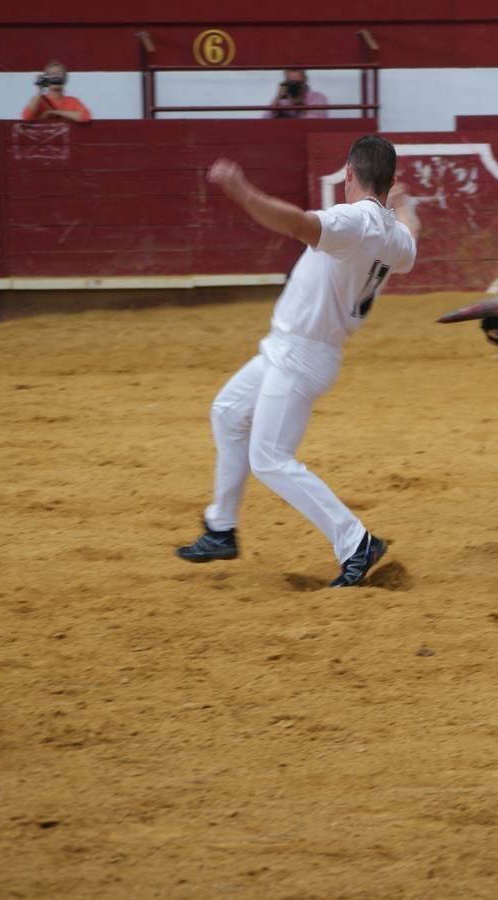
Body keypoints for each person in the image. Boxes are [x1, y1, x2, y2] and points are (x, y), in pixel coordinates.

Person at [177, 135, 420, 588]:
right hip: (291, 347)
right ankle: (220, 528)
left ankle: (355, 542)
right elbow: (410, 237)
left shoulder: (356, 221)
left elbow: (297, 224)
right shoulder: (391, 233)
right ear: (388, 182)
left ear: (348, 173)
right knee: (228, 412)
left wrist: (243, 193)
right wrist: (405, 206)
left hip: (302, 352)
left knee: (269, 458)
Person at [21, 60, 92, 123]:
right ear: (46, 78)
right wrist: (40, 90)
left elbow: (85, 117)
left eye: (58, 74)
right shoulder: (39, 100)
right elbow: (26, 117)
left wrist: (56, 112)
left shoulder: (72, 101)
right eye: (51, 75)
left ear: (65, 79)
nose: (55, 77)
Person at [263, 68, 329, 119]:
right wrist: (278, 97)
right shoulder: (283, 100)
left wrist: (299, 104)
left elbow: (317, 124)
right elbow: (264, 121)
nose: (295, 86)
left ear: (305, 79)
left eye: (298, 83)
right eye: (291, 82)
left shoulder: (318, 97)